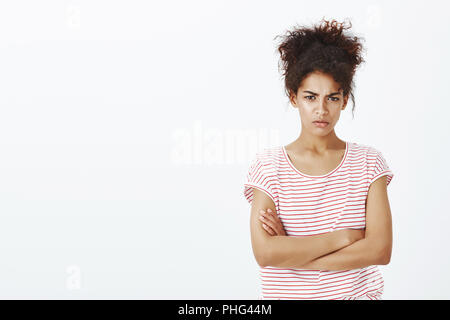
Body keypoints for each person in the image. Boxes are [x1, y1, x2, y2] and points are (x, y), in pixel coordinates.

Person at [243, 18, 394, 300]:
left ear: (345, 100)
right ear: (294, 98)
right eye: (311, 97)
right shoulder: (268, 167)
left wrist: (294, 253)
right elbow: (265, 253)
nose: (321, 109)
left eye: (332, 98)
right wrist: (344, 238)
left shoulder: (368, 163)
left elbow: (379, 250)